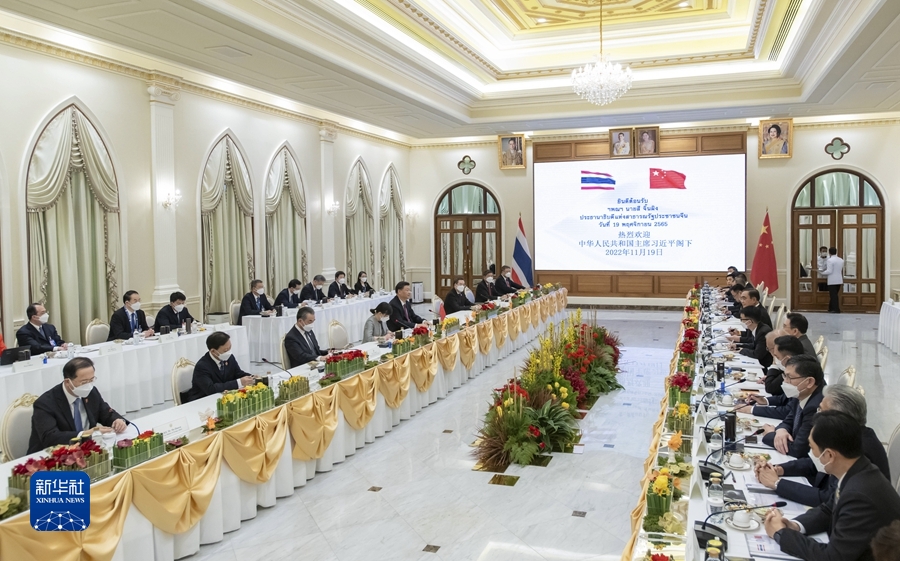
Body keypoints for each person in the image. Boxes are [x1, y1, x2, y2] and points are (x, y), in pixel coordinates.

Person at [764, 411, 900, 561]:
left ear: (829, 455)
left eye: (812, 448)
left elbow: (832, 557)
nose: (811, 454)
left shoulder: (859, 494)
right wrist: (794, 525)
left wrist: (782, 534)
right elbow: (828, 510)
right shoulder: (857, 470)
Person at [755, 385, 890, 507]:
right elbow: (816, 462)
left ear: (840, 417)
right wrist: (779, 469)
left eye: (821, 410)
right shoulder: (846, 433)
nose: (816, 414)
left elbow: (828, 499)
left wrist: (777, 483)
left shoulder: (860, 448)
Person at [28, 357, 128, 454]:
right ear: (68, 382)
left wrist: (117, 421)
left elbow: (106, 413)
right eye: (84, 382)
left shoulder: (91, 392)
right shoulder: (45, 403)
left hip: (87, 450)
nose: (88, 385)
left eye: (91, 380)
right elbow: (50, 437)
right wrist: (85, 434)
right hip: (51, 455)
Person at [760, 355, 825, 457]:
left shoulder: (816, 407)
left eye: (789, 377)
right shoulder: (801, 393)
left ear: (809, 382)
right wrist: (781, 430)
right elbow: (789, 419)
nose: (785, 382)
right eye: (785, 376)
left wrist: (770, 434)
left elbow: (798, 449)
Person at [743, 335, 806, 418]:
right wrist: (765, 400)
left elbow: (787, 411)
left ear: (787, 359)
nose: (774, 358)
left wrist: (752, 410)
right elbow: (785, 398)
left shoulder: (801, 374)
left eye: (776, 356)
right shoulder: (795, 367)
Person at [182, 332, 255, 403]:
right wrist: (238, 382)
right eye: (226, 350)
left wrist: (252, 377)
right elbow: (210, 389)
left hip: (224, 397)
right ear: (213, 351)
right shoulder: (202, 366)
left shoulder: (229, 357)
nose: (229, 352)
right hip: (202, 400)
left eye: (230, 348)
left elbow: (237, 373)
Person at [820, 247, 844, 313]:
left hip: (832, 280)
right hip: (839, 280)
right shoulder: (841, 260)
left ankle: (836, 309)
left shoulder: (830, 260)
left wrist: (821, 273)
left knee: (833, 296)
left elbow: (829, 271)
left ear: (829, 253)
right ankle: (830, 308)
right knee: (834, 295)